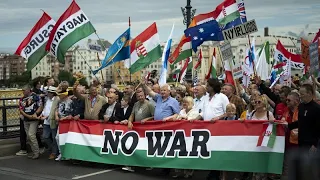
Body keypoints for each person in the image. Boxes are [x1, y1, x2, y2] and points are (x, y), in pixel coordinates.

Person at [204, 78, 229, 180]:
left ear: (213, 86)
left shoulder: (222, 97)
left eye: (208, 85)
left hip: (219, 129)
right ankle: (212, 171)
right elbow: (203, 112)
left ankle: (216, 173)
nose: (206, 87)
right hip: (207, 129)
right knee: (209, 150)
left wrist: (218, 117)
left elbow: (229, 111)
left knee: (217, 150)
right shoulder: (206, 97)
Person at [288, 84, 320, 151]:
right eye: (299, 94)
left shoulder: (316, 108)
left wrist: (315, 144)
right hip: (301, 141)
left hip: (311, 143)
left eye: (302, 94)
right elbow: (301, 121)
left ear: (309, 93)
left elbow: (318, 128)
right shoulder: (301, 106)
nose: (300, 96)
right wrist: (288, 126)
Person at [19, 85, 43, 159]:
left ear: (29, 90)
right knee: (29, 137)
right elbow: (21, 109)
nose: (23, 92)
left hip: (34, 119)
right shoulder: (22, 99)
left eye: (24, 90)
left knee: (31, 135)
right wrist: (27, 115)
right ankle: (34, 152)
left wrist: (35, 113)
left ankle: (36, 152)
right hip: (26, 119)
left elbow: (40, 106)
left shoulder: (36, 97)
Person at [38, 86, 59, 160]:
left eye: (49, 92)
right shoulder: (48, 100)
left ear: (52, 93)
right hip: (46, 121)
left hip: (52, 120)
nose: (47, 93)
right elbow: (45, 108)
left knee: (54, 137)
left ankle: (54, 152)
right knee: (45, 136)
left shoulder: (57, 100)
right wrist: (42, 114)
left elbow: (54, 111)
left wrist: (46, 116)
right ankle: (52, 149)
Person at [55, 90, 73, 161]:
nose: (59, 96)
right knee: (58, 137)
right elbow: (56, 109)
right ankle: (61, 153)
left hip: (68, 122)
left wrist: (64, 118)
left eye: (60, 95)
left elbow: (71, 113)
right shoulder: (59, 101)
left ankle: (67, 154)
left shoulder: (70, 102)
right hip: (61, 122)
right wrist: (56, 115)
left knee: (67, 138)